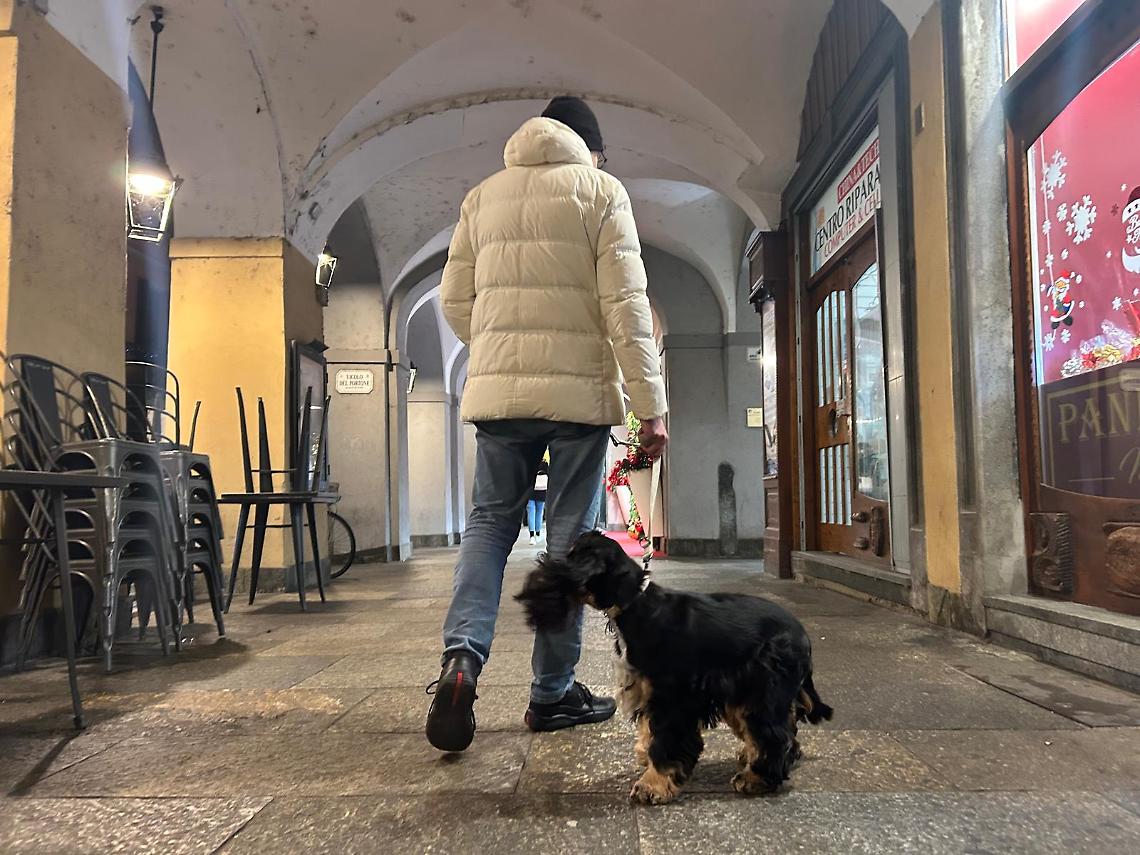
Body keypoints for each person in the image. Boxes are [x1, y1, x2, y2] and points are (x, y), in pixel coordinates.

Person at [426, 96, 669, 752]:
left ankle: (461, 659)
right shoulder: (600, 190)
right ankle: (552, 690)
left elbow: (454, 299)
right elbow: (626, 303)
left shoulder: (484, 195)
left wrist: (497, 350)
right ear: (589, 147)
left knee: (487, 524)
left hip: (500, 399)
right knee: (569, 539)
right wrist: (651, 405)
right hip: (579, 400)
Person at [527, 457, 549, 545]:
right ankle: (537, 533)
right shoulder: (545, 463)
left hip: (530, 489)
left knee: (531, 511)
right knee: (539, 512)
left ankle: (532, 536)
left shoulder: (529, 462)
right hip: (542, 489)